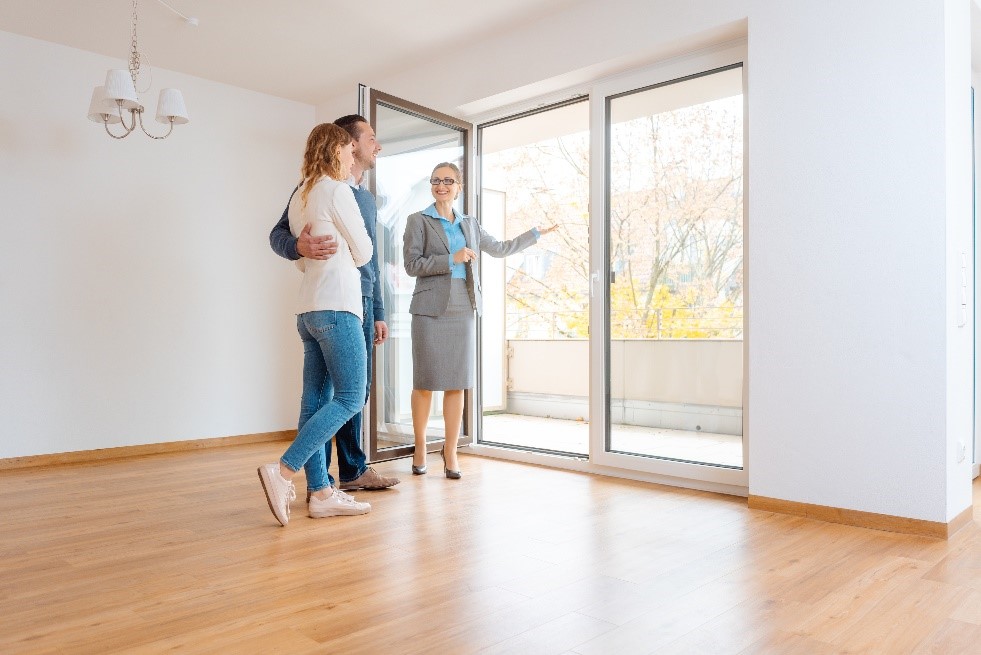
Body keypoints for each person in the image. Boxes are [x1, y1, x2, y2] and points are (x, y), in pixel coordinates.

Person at [269, 115, 399, 497]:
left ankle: (326, 486)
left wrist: (378, 310)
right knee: (350, 395)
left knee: (321, 397)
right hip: (340, 301)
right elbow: (365, 253)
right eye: (370, 138)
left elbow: (370, 266)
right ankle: (285, 470)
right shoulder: (332, 190)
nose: (377, 145)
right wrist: (299, 246)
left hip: (317, 304)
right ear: (347, 145)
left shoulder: (311, 193)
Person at [402, 162, 558, 478]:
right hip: (429, 309)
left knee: (457, 382)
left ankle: (450, 451)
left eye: (448, 181)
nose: (441, 186)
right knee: (425, 382)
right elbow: (411, 264)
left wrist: (535, 233)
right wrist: (452, 259)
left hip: (462, 306)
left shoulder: (469, 224)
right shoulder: (417, 221)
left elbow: (500, 249)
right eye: (436, 180)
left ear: (459, 186)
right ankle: (420, 446)